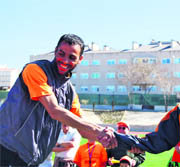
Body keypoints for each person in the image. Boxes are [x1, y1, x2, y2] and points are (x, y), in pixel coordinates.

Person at [0, 34, 116, 166]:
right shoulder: (35, 70)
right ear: (55, 51)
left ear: (80, 59)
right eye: (61, 53)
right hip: (6, 148)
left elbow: (83, 130)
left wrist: (114, 138)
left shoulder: (70, 93)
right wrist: (97, 131)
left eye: (72, 57)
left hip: (29, 159)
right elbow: (54, 110)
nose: (65, 60)